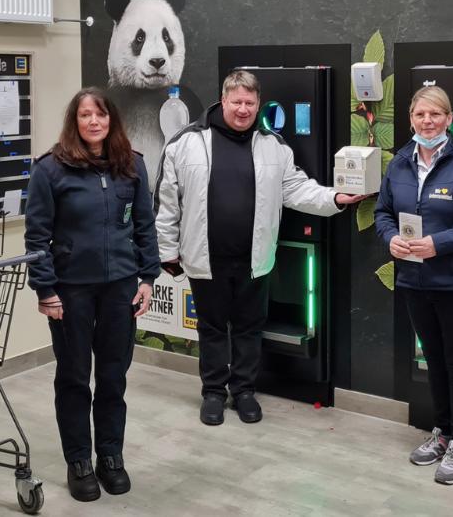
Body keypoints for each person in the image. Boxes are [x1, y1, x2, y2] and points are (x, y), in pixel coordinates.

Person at [154, 70, 367, 426]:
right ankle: (213, 392)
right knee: (211, 328)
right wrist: (167, 250)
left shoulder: (273, 145)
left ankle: (244, 390)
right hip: (204, 258)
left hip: (255, 258)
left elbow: (297, 189)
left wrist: (336, 198)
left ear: (257, 104)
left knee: (249, 328)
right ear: (223, 100)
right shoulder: (185, 142)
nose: (242, 109)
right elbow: (166, 202)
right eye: (236, 101)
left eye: (249, 103)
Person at [25, 87, 160, 502]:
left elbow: (144, 226)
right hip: (71, 292)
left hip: (121, 287)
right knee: (73, 377)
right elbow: (37, 236)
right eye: (85, 115)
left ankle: (110, 456)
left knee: (113, 377)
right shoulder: (50, 170)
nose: (94, 122)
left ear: (111, 120)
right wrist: (45, 289)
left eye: (100, 115)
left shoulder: (131, 166)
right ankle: (79, 460)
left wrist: (147, 279)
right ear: (75, 122)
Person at [374, 86, 453, 485]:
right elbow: (382, 212)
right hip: (413, 280)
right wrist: (389, 236)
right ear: (411, 119)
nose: (428, 122)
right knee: (433, 360)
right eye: (421, 115)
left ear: (448, 119)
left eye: (436, 115)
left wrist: (437, 244)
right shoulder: (399, 164)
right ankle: (442, 433)